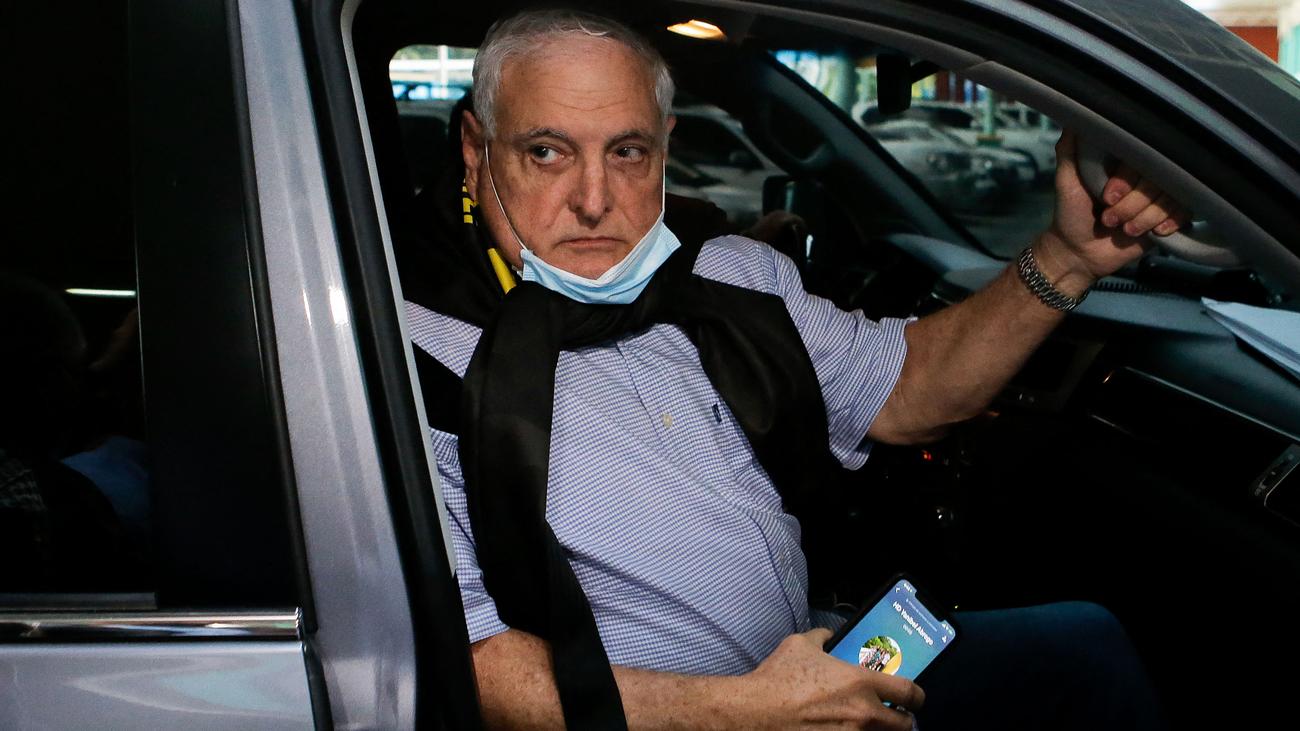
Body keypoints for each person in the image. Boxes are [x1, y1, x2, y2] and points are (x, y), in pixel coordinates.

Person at [403, 9, 1177, 729]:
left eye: (627, 152)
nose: (595, 200)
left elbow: (905, 390)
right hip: (670, 718)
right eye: (547, 152)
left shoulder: (733, 275)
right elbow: (469, 661)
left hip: (817, 661)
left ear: (666, 147)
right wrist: (743, 709)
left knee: (1088, 643)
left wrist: (1069, 258)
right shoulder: (411, 358)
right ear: (476, 150)